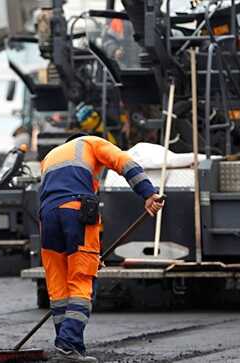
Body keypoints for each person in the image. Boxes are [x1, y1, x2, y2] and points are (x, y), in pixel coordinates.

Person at [39, 133, 163, 362]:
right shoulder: (90, 142)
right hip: (76, 208)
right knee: (82, 278)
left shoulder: (50, 156)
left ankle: (69, 349)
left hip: (47, 217)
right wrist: (148, 193)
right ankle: (68, 345)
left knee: (58, 286)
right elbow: (124, 162)